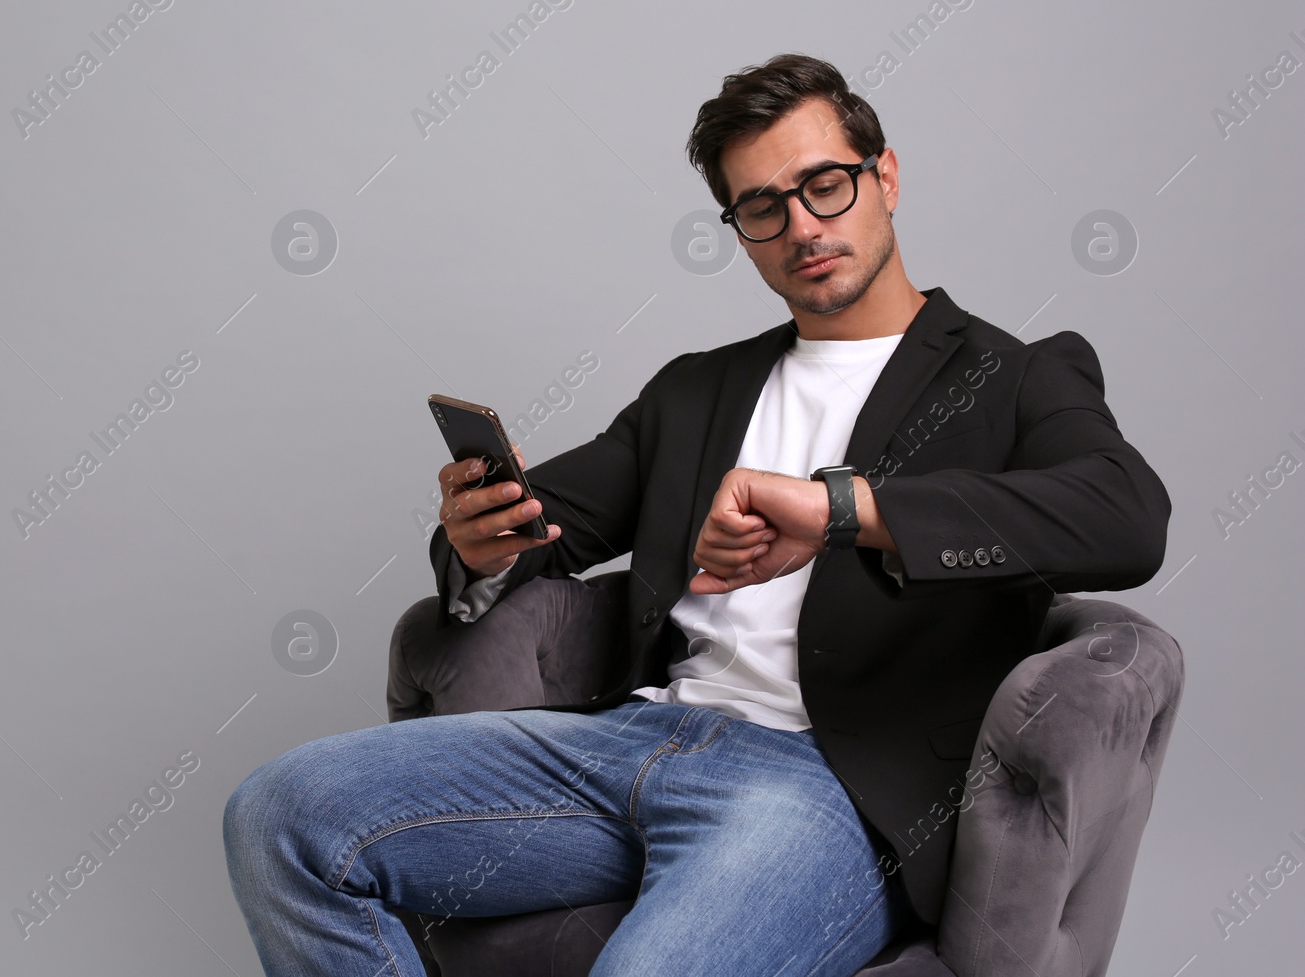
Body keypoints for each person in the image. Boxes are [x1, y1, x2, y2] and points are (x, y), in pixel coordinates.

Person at [223, 52, 1172, 976]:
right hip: (626, 743)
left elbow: (1127, 517)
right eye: (763, 206)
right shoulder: (694, 391)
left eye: (825, 185)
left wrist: (843, 507)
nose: (801, 225)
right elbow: (542, 525)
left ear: (885, 175)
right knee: (282, 814)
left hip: (822, 790)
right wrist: (478, 546)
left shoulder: (1013, 375)